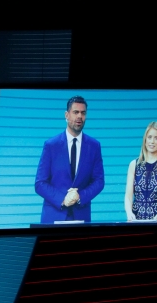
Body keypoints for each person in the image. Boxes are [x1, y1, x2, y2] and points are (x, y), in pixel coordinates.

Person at [34, 95, 105, 224]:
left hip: (81, 216)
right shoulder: (51, 145)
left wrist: (80, 196)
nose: (79, 116)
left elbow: (99, 181)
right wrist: (63, 199)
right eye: (75, 112)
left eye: (83, 113)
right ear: (66, 115)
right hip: (53, 216)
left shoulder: (94, 146)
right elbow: (40, 183)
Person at [124, 121, 157, 222]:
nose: (152, 141)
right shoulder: (134, 164)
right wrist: (129, 213)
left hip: (156, 221)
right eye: (149, 137)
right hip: (136, 221)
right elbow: (128, 196)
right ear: (145, 139)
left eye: (156, 138)